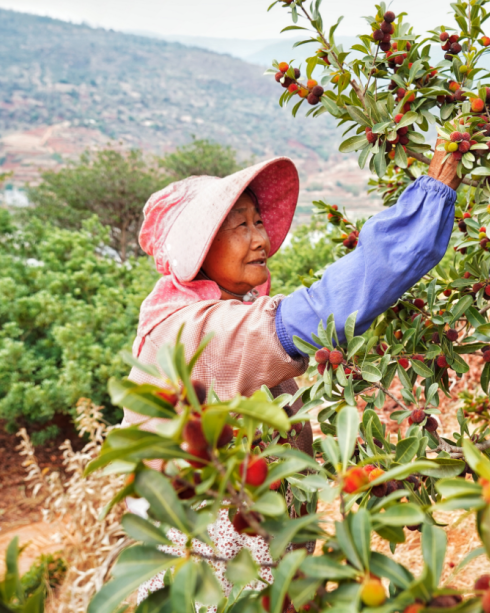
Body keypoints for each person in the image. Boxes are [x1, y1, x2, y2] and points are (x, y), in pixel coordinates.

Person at [123, 145, 461, 603]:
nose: (260, 239)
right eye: (240, 226)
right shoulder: (196, 330)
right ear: (200, 251)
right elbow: (324, 311)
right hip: (214, 573)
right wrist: (428, 202)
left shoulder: (221, 314)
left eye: (258, 221)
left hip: (265, 560)